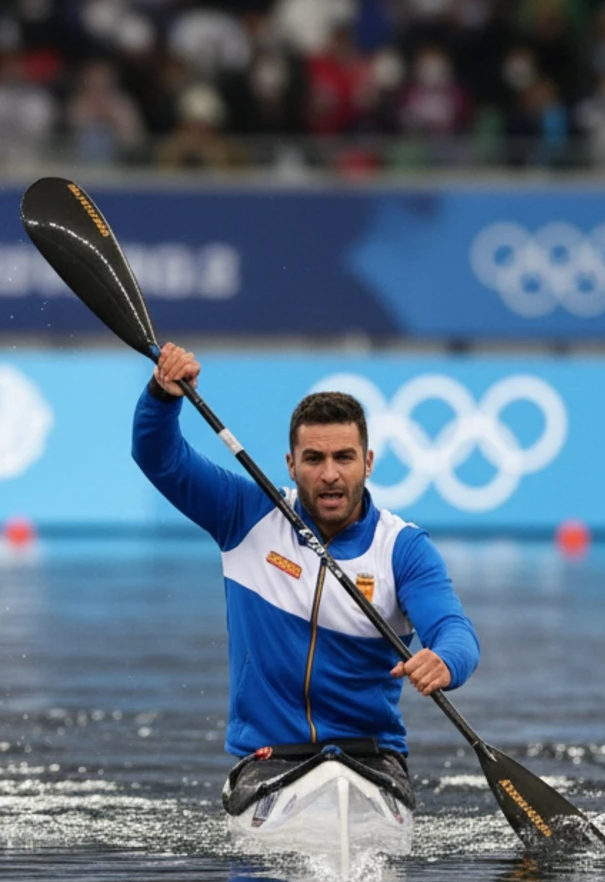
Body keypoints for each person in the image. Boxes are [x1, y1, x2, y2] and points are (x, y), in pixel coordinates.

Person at [133, 343, 481, 812]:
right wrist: (162, 394)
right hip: (269, 758)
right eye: (314, 459)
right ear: (291, 465)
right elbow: (159, 458)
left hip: (372, 759)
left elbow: (454, 632)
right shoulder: (245, 513)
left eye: (345, 457)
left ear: (369, 462)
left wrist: (445, 661)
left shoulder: (403, 548)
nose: (331, 474)